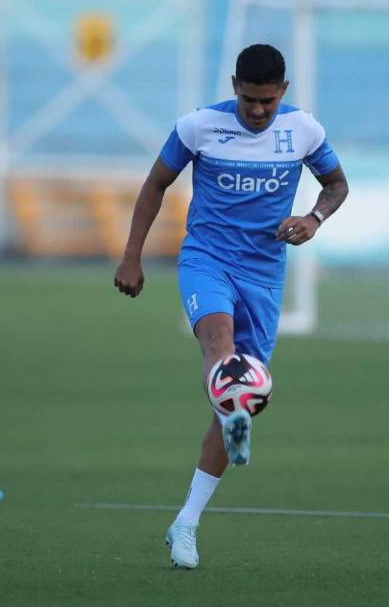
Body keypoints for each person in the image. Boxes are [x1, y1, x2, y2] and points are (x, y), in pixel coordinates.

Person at [113, 43, 349, 569]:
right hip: (207, 259)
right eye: (249, 100)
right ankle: (236, 410)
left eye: (267, 101)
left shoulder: (303, 131)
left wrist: (313, 219)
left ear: (283, 92)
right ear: (234, 87)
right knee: (218, 345)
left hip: (264, 275)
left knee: (238, 389)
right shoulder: (199, 126)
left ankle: (187, 521)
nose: (258, 111)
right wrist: (132, 256)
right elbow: (155, 184)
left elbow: (336, 185)